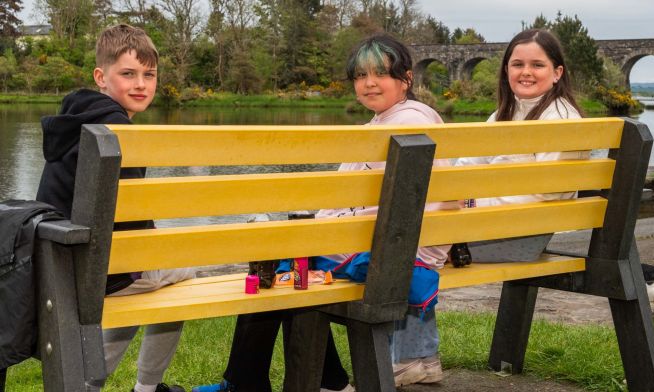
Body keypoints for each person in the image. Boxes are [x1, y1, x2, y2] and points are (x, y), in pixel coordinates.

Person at [192, 34, 458, 392]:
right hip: (400, 245)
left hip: (396, 254)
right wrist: (316, 227)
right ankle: (324, 380)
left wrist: (313, 231)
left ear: (406, 79)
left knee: (277, 259)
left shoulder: (401, 124)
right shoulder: (395, 121)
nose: (368, 83)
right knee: (288, 256)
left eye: (380, 73)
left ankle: (247, 383)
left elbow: (379, 211)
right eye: (361, 76)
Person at [35, 24, 193, 392]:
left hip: (59, 261)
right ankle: (144, 387)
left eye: (149, 75)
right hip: (97, 271)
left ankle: (90, 384)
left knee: (142, 275)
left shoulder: (75, 119)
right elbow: (132, 222)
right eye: (128, 74)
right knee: (177, 279)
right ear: (100, 77)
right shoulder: (119, 129)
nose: (141, 84)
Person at [454, 28, 589, 263]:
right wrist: (454, 198)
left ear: (557, 73)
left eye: (537, 65)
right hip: (490, 225)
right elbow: (468, 163)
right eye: (517, 64)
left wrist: (472, 203)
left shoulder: (561, 120)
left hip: (521, 235)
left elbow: (546, 194)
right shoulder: (505, 113)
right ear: (506, 70)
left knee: (405, 246)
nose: (526, 72)